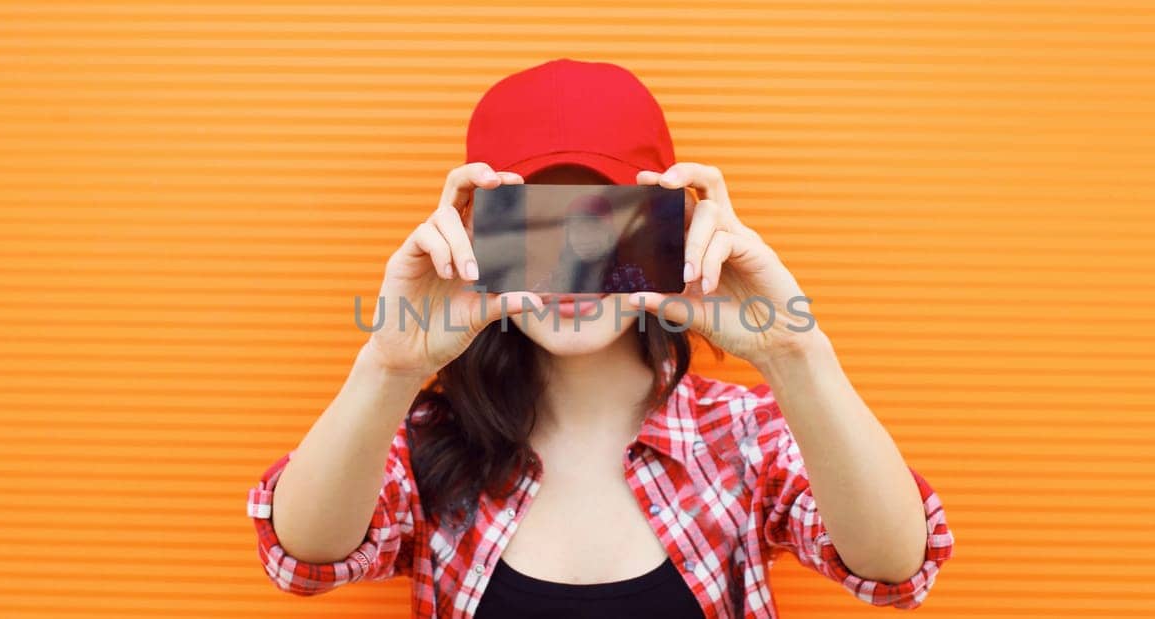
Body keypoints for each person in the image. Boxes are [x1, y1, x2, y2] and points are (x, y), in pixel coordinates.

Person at [247, 58, 953, 619]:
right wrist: (387, 365)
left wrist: (792, 350)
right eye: (533, 225)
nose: (573, 268)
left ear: (666, 228)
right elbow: (302, 558)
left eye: (607, 222)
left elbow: (894, 566)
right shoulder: (423, 438)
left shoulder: (744, 434)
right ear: (475, 236)